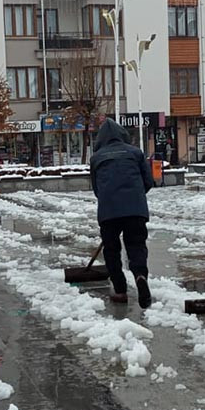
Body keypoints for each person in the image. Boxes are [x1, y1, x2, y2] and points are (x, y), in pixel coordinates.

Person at [90, 118, 154, 308]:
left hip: (109, 211)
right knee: (136, 246)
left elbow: (96, 190)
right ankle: (140, 275)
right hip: (135, 209)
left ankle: (120, 290)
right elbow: (148, 182)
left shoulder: (96, 158)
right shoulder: (136, 153)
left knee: (112, 251)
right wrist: (134, 196)